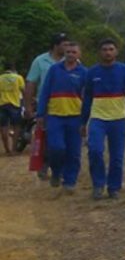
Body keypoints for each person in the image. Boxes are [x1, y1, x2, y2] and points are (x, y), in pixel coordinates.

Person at [81, 38, 125, 200]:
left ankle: (114, 187)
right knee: (95, 151)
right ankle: (98, 185)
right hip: (98, 119)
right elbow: (87, 97)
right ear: (99, 52)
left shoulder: (124, 70)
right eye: (104, 49)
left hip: (118, 119)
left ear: (116, 52)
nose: (108, 52)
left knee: (117, 157)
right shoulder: (92, 72)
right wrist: (83, 121)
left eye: (110, 49)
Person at [36, 42, 86, 194]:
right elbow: (45, 92)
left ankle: (70, 181)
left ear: (79, 55)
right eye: (68, 51)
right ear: (64, 53)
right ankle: (56, 172)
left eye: (74, 52)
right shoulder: (54, 69)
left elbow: (88, 96)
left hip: (75, 117)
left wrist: (87, 118)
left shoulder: (84, 72)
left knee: (74, 152)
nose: (70, 54)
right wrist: (40, 113)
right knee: (56, 148)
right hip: (55, 116)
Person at [24, 33, 70, 179]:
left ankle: (61, 167)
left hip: (67, 106)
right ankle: (44, 164)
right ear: (55, 45)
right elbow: (31, 83)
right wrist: (28, 106)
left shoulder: (71, 59)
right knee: (45, 137)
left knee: (64, 139)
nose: (67, 48)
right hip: (46, 106)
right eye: (64, 45)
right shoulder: (40, 61)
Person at [0, 63, 25, 156]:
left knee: (3, 127)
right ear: (13, 68)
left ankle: (7, 149)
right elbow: (23, 90)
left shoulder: (0, 78)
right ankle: (14, 149)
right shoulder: (18, 78)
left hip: (2, 105)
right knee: (16, 127)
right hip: (15, 104)